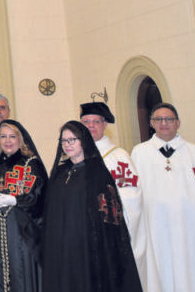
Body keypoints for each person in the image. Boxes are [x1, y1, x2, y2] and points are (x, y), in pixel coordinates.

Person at [131, 103, 195, 291]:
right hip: (157, 227)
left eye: (169, 119)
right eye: (158, 119)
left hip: (193, 229)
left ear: (178, 123)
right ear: (152, 123)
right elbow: (135, 192)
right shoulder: (139, 152)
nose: (164, 123)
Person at [40, 121, 141, 292]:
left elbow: (110, 216)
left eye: (73, 139)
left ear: (84, 141)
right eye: (64, 141)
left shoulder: (97, 173)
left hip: (87, 245)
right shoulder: (60, 173)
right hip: (61, 245)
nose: (68, 145)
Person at [79, 102, 150, 282]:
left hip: (109, 228)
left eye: (96, 121)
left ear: (105, 125)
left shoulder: (118, 156)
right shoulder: (72, 154)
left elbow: (132, 195)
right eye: (86, 122)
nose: (91, 126)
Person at [0, 120, 47, 292]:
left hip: (23, 232)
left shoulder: (31, 164)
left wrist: (16, 200)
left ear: (20, 139)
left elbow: (40, 194)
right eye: (3, 136)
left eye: (12, 136)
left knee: (23, 275)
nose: (8, 141)